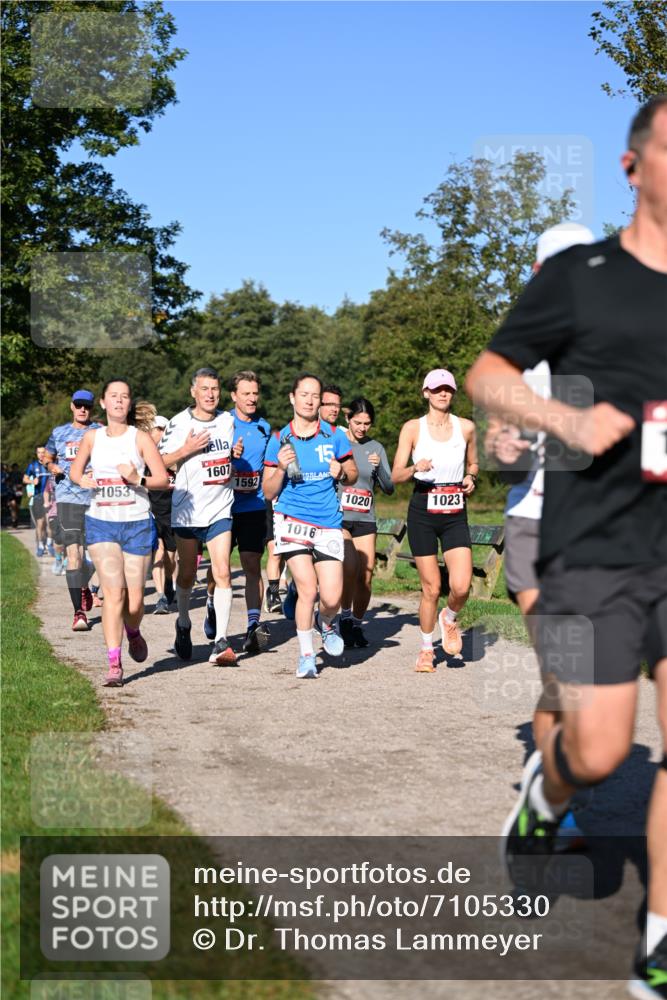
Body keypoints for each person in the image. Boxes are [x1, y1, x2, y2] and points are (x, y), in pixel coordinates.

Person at [466, 95, 667, 999]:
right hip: (584, 544)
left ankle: (658, 942)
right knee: (595, 748)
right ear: (632, 166)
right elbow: (490, 374)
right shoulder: (579, 279)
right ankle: (546, 796)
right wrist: (565, 423)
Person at [69, 379, 169, 687]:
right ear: (103, 402)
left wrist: (137, 478)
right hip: (102, 523)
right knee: (114, 594)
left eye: (124, 396)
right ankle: (114, 663)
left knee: (135, 603)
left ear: (129, 403)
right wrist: (82, 480)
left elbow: (162, 479)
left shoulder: (140, 438)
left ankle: (133, 630)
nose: (119, 401)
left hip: (136, 523)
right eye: (113, 396)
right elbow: (74, 471)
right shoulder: (92, 437)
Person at [263, 373, 358, 678]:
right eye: (303, 394)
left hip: (327, 522)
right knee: (307, 589)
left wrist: (342, 472)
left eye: (315, 396)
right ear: (292, 398)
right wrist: (280, 467)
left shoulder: (335, 436)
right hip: (292, 520)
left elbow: (353, 473)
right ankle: (306, 656)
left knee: (331, 598)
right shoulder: (280, 440)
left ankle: (325, 622)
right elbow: (268, 492)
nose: (309, 400)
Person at [392, 369, 478, 672]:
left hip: (454, 512)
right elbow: (395, 475)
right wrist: (415, 468)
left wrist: (471, 477)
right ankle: (427, 649)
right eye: (437, 389)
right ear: (426, 392)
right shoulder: (412, 428)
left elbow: (474, 463)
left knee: (462, 586)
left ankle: (449, 618)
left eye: (448, 389)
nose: (443, 394)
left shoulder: (466, 427)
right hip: (423, 511)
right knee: (431, 587)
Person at [159, 367, 238, 666]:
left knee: (223, 572)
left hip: (220, 509)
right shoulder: (179, 423)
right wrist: (186, 449)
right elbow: (159, 462)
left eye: (215, 388)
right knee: (187, 575)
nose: (210, 394)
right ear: (193, 392)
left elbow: (227, 456)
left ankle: (221, 641)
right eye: (204, 389)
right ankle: (183, 623)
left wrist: (233, 456)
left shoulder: (227, 420)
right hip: (188, 511)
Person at [222, 370, 272, 654]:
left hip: (254, 506)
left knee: (252, 564)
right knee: (219, 570)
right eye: (246, 394)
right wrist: (229, 456)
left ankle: (253, 626)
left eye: (255, 393)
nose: (252, 399)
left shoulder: (264, 427)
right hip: (224, 507)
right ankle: (213, 608)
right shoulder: (222, 424)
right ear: (234, 396)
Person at [338, 397, 394, 648]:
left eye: (367, 423)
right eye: (357, 422)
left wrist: (379, 467)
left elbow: (389, 487)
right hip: (340, 518)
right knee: (349, 569)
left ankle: (356, 624)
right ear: (347, 419)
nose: (362, 428)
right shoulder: (337, 443)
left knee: (366, 575)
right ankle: (343, 618)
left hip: (365, 518)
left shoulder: (376, 448)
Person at [45, 390, 102, 631]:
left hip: (96, 498)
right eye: (78, 405)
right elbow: (47, 457)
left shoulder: (100, 431)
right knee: (74, 554)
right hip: (68, 498)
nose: (82, 409)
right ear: (72, 406)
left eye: (86, 406)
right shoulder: (58, 433)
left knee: (98, 555)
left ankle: (83, 585)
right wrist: (52, 466)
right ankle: (79, 613)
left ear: (91, 408)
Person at [134, 404, 177, 616]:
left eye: (162, 430)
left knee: (171, 556)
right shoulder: (144, 455)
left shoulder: (173, 455)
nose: (158, 433)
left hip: (173, 510)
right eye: (155, 429)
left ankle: (169, 582)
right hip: (152, 509)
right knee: (158, 550)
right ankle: (161, 597)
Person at [24, 446, 51, 553]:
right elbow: (25, 479)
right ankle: (40, 545)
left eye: (43, 452)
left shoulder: (51, 464)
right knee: (41, 523)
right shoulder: (32, 465)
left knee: (51, 522)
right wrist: (32, 482)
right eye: (39, 452)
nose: (41, 454)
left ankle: (49, 543)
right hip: (38, 496)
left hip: (51, 496)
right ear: (36, 454)